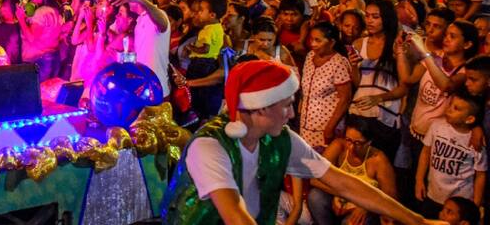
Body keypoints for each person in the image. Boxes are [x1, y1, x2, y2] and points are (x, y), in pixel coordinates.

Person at [162, 59, 443, 225]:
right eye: (286, 105)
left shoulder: (281, 139)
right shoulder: (210, 146)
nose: (292, 114)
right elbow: (234, 215)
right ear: (259, 108)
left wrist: (418, 221)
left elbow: (342, 183)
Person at [348, 0, 408, 162]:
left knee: (380, 165)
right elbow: (359, 84)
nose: (369, 20)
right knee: (356, 164)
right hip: (359, 113)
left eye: (375, 17)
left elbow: (404, 87)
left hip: (385, 117)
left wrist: (378, 98)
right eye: (367, 16)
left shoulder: (397, 45)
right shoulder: (359, 44)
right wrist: (353, 66)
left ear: (387, 18)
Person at [308, 116, 398, 225]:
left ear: (369, 142)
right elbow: (314, 179)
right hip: (337, 197)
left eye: (358, 143)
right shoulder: (339, 146)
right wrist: (343, 193)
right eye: (348, 140)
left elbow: (390, 197)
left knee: (352, 222)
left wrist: (366, 206)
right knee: (315, 197)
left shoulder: (378, 160)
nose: (351, 147)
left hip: (363, 205)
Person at [415, 91, 486, 216]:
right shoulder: (437, 126)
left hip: (459, 202)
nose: (449, 110)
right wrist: (419, 180)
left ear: (469, 119)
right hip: (433, 194)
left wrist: (475, 205)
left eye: (456, 108)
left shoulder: (476, 141)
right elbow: (425, 153)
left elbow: (480, 174)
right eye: (450, 105)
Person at [108, 0, 171, 98]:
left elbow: (163, 22)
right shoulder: (140, 20)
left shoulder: (158, 15)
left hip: (157, 90)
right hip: (143, 88)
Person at [300, 21, 353, 150]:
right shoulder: (310, 56)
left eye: (318, 40)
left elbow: (345, 99)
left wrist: (330, 128)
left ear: (332, 42)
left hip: (326, 127)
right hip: (306, 124)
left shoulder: (339, 63)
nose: (313, 44)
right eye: (311, 39)